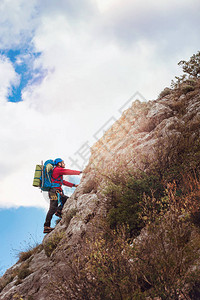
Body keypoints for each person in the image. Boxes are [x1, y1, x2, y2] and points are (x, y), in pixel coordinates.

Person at [43, 158, 82, 233]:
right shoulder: (58, 169)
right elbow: (68, 171)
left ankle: (59, 211)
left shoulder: (57, 172)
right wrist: (79, 172)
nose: (64, 164)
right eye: (63, 162)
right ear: (59, 163)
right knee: (52, 208)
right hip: (54, 191)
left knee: (66, 200)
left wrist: (74, 185)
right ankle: (46, 226)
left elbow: (62, 182)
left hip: (55, 191)